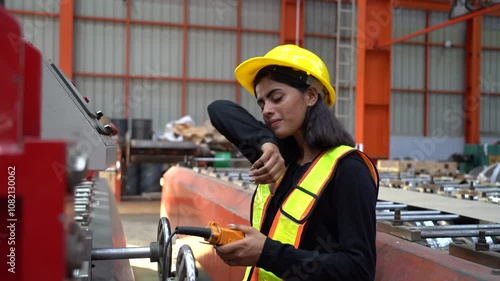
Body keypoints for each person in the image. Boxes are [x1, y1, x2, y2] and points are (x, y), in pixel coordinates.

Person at [207, 44, 379, 281]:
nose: (267, 110)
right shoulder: (280, 159)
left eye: (277, 98)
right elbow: (219, 110)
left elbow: (358, 270)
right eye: (261, 103)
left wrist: (267, 253)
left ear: (310, 96)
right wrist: (266, 142)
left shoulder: (348, 169)